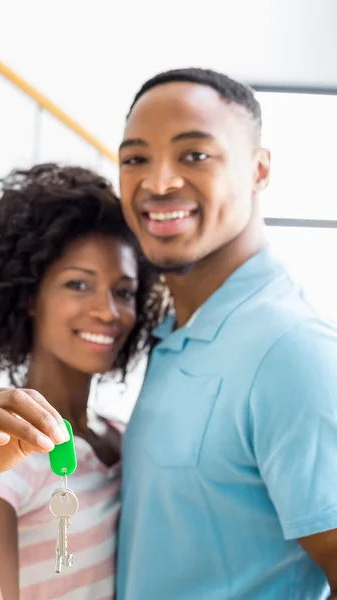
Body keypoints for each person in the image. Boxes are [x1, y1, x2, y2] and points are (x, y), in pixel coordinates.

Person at [117, 68, 337, 599]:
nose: (159, 182)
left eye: (194, 155)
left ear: (260, 169)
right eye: (135, 159)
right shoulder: (174, 333)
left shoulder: (291, 349)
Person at [0, 163, 165, 600]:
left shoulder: (123, 438)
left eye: (123, 292)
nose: (107, 311)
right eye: (79, 284)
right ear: (29, 297)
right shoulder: (7, 462)